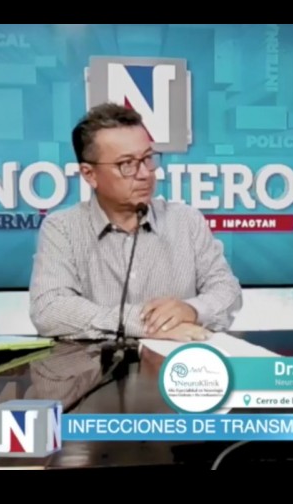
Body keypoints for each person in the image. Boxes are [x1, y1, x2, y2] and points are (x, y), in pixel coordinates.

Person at [29, 103, 243, 342]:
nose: (145, 174)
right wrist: (142, 324)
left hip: (177, 362)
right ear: (89, 174)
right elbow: (48, 309)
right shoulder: (62, 228)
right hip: (95, 365)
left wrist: (192, 310)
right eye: (127, 164)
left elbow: (227, 290)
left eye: (148, 159)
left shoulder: (186, 220)